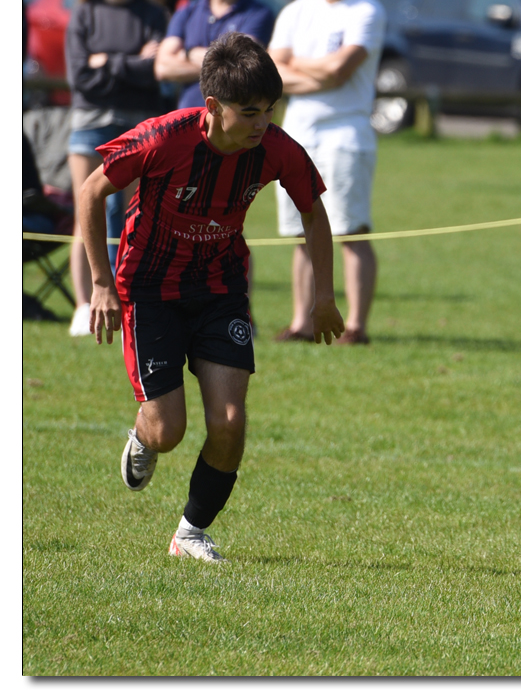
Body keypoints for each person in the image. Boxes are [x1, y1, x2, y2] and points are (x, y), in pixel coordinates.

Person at [78, 32, 345, 564]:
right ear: (212, 107)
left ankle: (191, 532)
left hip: (220, 288)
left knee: (229, 422)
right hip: (150, 290)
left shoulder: (276, 150)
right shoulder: (163, 139)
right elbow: (90, 191)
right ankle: (143, 435)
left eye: (270, 110)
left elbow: (313, 212)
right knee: (168, 431)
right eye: (249, 112)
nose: (262, 123)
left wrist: (323, 297)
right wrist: (101, 284)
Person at [268, 0, 386, 345]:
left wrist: (296, 63)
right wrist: (311, 70)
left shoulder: (366, 10)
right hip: (298, 132)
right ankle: (301, 321)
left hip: (345, 134)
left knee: (351, 230)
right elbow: (272, 72)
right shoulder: (296, 10)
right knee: (300, 232)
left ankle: (356, 325)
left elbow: (341, 70)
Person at [64, 0, 166, 337]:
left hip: (141, 128)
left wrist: (106, 61)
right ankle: (83, 304)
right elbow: (81, 80)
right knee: (85, 215)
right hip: (89, 125)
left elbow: (154, 75)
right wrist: (131, 64)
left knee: (134, 217)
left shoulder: (153, 15)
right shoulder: (84, 13)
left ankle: (131, 302)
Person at [154, 0, 275, 109]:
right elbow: (163, 68)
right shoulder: (186, 12)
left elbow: (243, 67)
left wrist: (187, 54)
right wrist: (223, 63)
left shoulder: (258, 14)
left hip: (232, 125)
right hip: (189, 121)